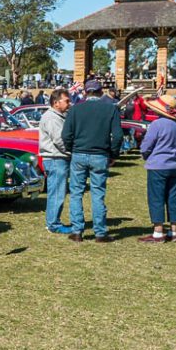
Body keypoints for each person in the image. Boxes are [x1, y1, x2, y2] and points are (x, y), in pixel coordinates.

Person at [61, 79, 123, 242]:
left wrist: (71, 148)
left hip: (79, 153)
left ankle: (77, 231)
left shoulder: (75, 110)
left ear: (85, 92)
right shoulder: (111, 109)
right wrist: (114, 155)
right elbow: (117, 136)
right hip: (100, 155)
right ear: (101, 92)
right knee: (97, 194)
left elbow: (66, 135)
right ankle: (100, 233)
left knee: (76, 193)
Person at [137, 96, 176, 243]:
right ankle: (173, 231)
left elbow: (146, 145)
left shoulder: (157, 124)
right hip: (175, 164)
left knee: (156, 198)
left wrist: (145, 155)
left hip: (158, 165)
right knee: (172, 197)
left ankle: (158, 232)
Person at [37, 88, 72, 235]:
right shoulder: (52, 118)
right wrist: (73, 152)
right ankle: (53, 224)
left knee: (57, 191)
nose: (69, 103)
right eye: (67, 101)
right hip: (56, 158)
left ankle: (53, 221)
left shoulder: (58, 116)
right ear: (56, 103)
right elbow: (60, 141)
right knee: (57, 192)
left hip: (57, 158)